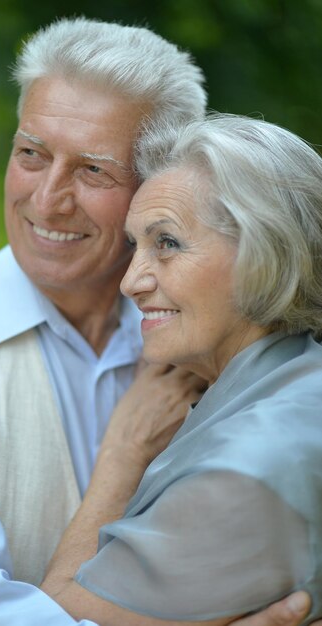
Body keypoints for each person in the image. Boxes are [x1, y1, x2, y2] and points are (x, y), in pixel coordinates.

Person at [0, 16, 315, 625]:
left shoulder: (218, 334)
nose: (47, 201)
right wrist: (125, 450)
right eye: (31, 154)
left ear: (159, 181)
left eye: (93, 170)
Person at [40, 113, 322, 626]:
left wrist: (123, 451)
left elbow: (56, 612)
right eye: (135, 245)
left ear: (267, 251)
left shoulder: (246, 466)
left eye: (166, 243)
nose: (131, 283)